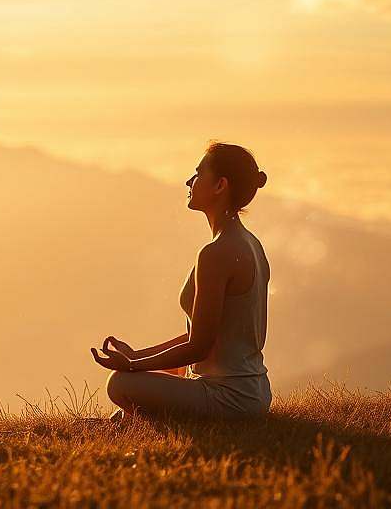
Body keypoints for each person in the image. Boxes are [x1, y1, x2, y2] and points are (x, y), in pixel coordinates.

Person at [91, 140, 271, 421]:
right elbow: (202, 335)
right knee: (155, 372)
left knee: (120, 383)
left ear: (220, 185)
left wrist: (133, 365)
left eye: (198, 174)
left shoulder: (217, 252)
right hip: (253, 391)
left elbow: (198, 348)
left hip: (230, 398)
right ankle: (130, 420)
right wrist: (138, 356)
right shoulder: (248, 243)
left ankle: (132, 420)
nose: (190, 181)